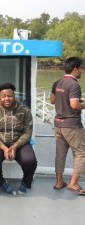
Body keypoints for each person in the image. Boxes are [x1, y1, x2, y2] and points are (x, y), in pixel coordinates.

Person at [0, 83, 37, 195]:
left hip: (18, 142)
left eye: (9, 96)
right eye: (3, 96)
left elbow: (27, 133)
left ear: (14, 96)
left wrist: (15, 146)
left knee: (30, 161)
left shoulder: (25, 110)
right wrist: (4, 148)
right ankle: (1, 182)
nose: (6, 99)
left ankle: (26, 181)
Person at [50, 57, 85, 194]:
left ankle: (59, 182)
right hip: (72, 125)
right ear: (75, 69)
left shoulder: (57, 82)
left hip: (58, 124)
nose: (82, 70)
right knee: (81, 153)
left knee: (60, 153)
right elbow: (74, 105)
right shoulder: (74, 85)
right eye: (81, 68)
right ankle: (73, 183)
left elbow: (52, 100)